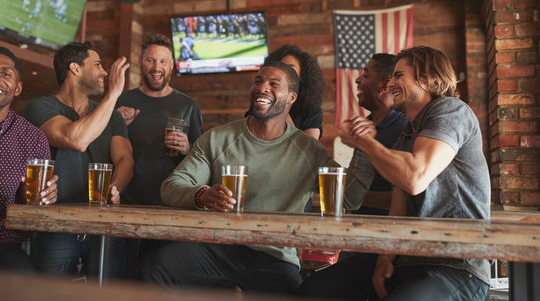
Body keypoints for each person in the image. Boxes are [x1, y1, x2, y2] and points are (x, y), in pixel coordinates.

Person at [299, 46, 490, 301]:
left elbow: (414, 178)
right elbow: (399, 201)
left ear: (427, 78)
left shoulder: (451, 110)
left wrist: (364, 141)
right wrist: (385, 258)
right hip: (408, 260)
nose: (390, 84)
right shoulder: (407, 134)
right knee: (312, 291)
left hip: (455, 265)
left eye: (399, 76)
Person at [141, 61, 335, 294]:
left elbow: (348, 198)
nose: (262, 87)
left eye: (273, 84)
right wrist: (201, 195)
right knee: (157, 268)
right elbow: (172, 186)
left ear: (291, 98)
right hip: (218, 246)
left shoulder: (310, 151)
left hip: (275, 256)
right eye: (258, 81)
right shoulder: (217, 139)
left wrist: (365, 146)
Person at [23, 42, 134, 278]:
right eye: (97, 65)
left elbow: (125, 159)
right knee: (48, 296)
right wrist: (113, 93)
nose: (104, 72)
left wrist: (115, 188)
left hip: (104, 223)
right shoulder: (40, 107)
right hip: (56, 224)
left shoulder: (112, 115)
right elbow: (75, 139)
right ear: (75, 68)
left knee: (110, 295)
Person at [116, 34, 203, 206]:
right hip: (127, 200)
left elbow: (202, 158)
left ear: (171, 64)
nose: (157, 67)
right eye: (150, 60)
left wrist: (187, 148)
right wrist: (115, 122)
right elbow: (103, 149)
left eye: (163, 61)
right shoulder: (121, 101)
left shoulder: (189, 105)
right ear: (141, 61)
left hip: (173, 200)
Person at [0, 47, 58, 273]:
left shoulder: (33, 138)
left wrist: (42, 195)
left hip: (4, 243)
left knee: (24, 279)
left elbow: (30, 202)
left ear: (18, 88)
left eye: (5, 73)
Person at [344, 53, 408, 216]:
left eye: (365, 75)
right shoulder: (366, 124)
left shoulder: (405, 127)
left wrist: (346, 196)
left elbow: (407, 196)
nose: (358, 80)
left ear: (385, 85)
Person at [247, 45, 324, 140]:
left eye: (291, 68)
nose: (283, 72)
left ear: (302, 76)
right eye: (280, 67)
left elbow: (307, 150)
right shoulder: (262, 104)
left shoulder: (313, 111)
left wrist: (283, 105)